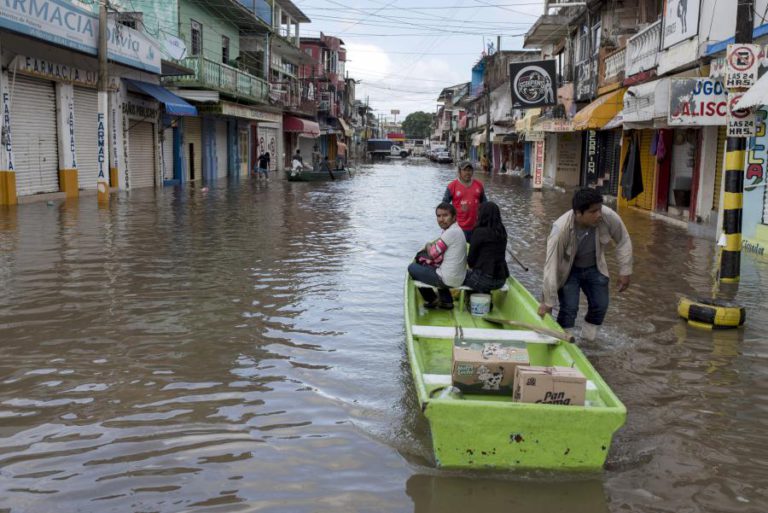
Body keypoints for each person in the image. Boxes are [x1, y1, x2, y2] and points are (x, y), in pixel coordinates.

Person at [538, 188, 633, 341]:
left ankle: (589, 340)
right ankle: (565, 341)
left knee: (600, 306)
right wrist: (548, 301)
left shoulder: (607, 217)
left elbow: (623, 240)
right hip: (569, 271)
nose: (598, 214)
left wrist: (625, 271)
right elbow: (551, 265)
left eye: (599, 209)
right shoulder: (561, 229)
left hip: (594, 266)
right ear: (578, 213)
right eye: (593, 211)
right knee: (569, 308)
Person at [408, 202, 468, 310]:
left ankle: (432, 299)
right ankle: (446, 302)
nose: (441, 219)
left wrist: (428, 245)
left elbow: (432, 254)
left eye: (445, 215)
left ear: (454, 217)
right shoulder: (457, 230)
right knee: (433, 265)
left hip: (448, 279)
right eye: (439, 216)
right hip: (458, 277)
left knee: (412, 267)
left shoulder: (450, 233)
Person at [463, 202, 510, 293]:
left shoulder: (479, 232)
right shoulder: (502, 231)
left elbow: (471, 260)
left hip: (483, 280)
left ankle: (468, 300)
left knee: (456, 276)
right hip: (501, 280)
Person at [442, 160, 487, 240]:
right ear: (459, 171)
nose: (467, 172)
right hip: (458, 228)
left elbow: (485, 205)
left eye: (469, 170)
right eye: (465, 170)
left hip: (476, 227)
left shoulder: (479, 185)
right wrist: (446, 225)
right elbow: (444, 207)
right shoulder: (452, 186)